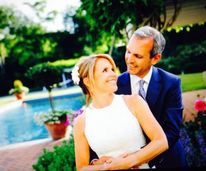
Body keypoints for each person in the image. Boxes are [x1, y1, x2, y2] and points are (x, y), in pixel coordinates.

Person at [93, 26, 187, 168]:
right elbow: (100, 125)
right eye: (128, 51)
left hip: (168, 162)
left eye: (138, 56)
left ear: (155, 59)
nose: (129, 59)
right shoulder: (114, 85)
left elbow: (172, 132)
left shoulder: (171, 83)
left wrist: (136, 158)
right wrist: (96, 160)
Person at [72, 54, 169, 170]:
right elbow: (81, 168)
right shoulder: (81, 122)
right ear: (87, 81)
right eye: (105, 70)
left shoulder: (133, 102)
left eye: (112, 69)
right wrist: (105, 167)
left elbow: (161, 141)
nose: (113, 74)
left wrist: (129, 162)